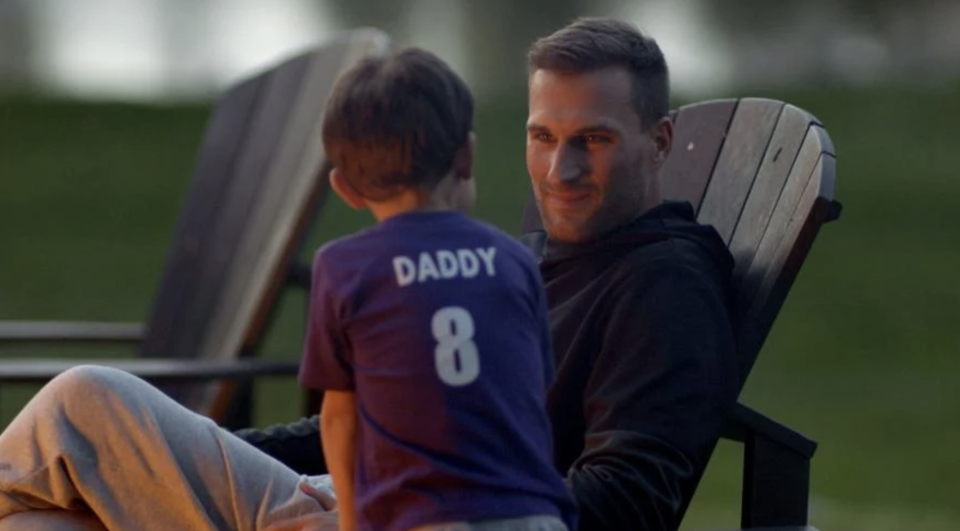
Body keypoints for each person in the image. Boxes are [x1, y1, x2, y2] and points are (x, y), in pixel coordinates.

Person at [0, 16, 738, 531]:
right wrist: (203, 455)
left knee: (83, 401)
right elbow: (364, 424)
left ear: (660, 138)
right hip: (373, 498)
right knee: (39, 517)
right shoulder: (528, 260)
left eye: (594, 140)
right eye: (542, 136)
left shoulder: (664, 283)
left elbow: (629, 500)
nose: (561, 168)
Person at [301, 47, 575, 531]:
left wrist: (352, 522)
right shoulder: (514, 259)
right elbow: (533, 398)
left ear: (344, 187)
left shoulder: (342, 267)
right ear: (466, 156)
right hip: (535, 515)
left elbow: (340, 418)